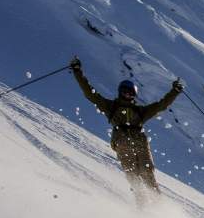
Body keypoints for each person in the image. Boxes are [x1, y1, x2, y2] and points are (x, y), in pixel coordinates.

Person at [69, 58, 183, 205]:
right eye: (125, 92)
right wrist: (78, 72)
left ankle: (157, 205)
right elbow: (91, 94)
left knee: (147, 173)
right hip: (123, 142)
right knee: (133, 176)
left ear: (134, 95)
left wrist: (174, 91)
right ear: (120, 92)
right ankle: (142, 207)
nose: (127, 95)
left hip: (139, 142)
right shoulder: (111, 106)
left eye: (130, 93)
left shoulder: (140, 111)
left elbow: (162, 105)